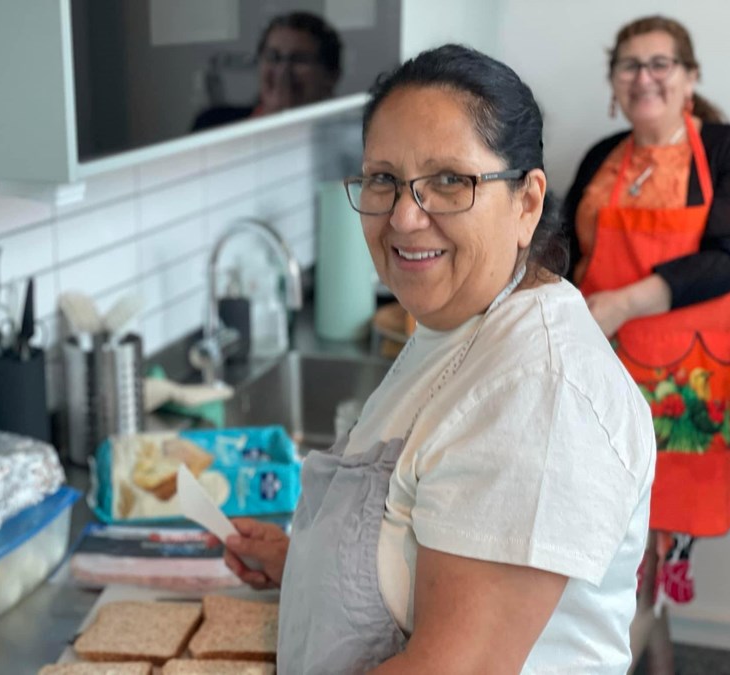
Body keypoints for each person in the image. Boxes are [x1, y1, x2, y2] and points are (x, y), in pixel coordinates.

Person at [219, 44, 655, 673]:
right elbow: (415, 538)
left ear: (527, 202)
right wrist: (303, 566)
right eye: (384, 179)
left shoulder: (540, 392)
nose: (403, 216)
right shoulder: (456, 325)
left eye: (450, 181)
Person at [562, 15, 730, 673]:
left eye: (660, 63)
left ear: (689, 77)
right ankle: (654, 652)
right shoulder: (603, 156)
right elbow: (567, 252)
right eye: (629, 65)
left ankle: (628, 652)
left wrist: (622, 302)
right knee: (614, 522)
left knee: (659, 525)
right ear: (613, 82)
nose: (644, 77)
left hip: (691, 376)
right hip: (604, 367)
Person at [192, 11, 342, 131]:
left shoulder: (346, 139)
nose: (283, 71)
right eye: (273, 57)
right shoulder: (212, 124)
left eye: (299, 59)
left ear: (331, 75)